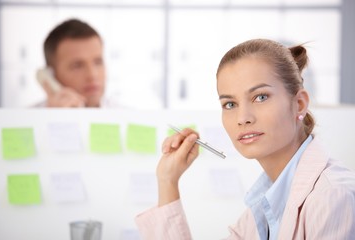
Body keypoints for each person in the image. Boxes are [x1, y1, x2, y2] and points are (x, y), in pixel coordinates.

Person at [135, 39, 355, 239]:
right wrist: (167, 181)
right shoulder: (261, 209)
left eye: (260, 97)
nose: (243, 118)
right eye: (230, 104)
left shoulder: (333, 197)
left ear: (299, 104)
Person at [37, 18, 106, 107]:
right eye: (77, 66)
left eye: (98, 62)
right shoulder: (26, 119)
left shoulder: (125, 116)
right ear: (51, 75)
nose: (92, 75)